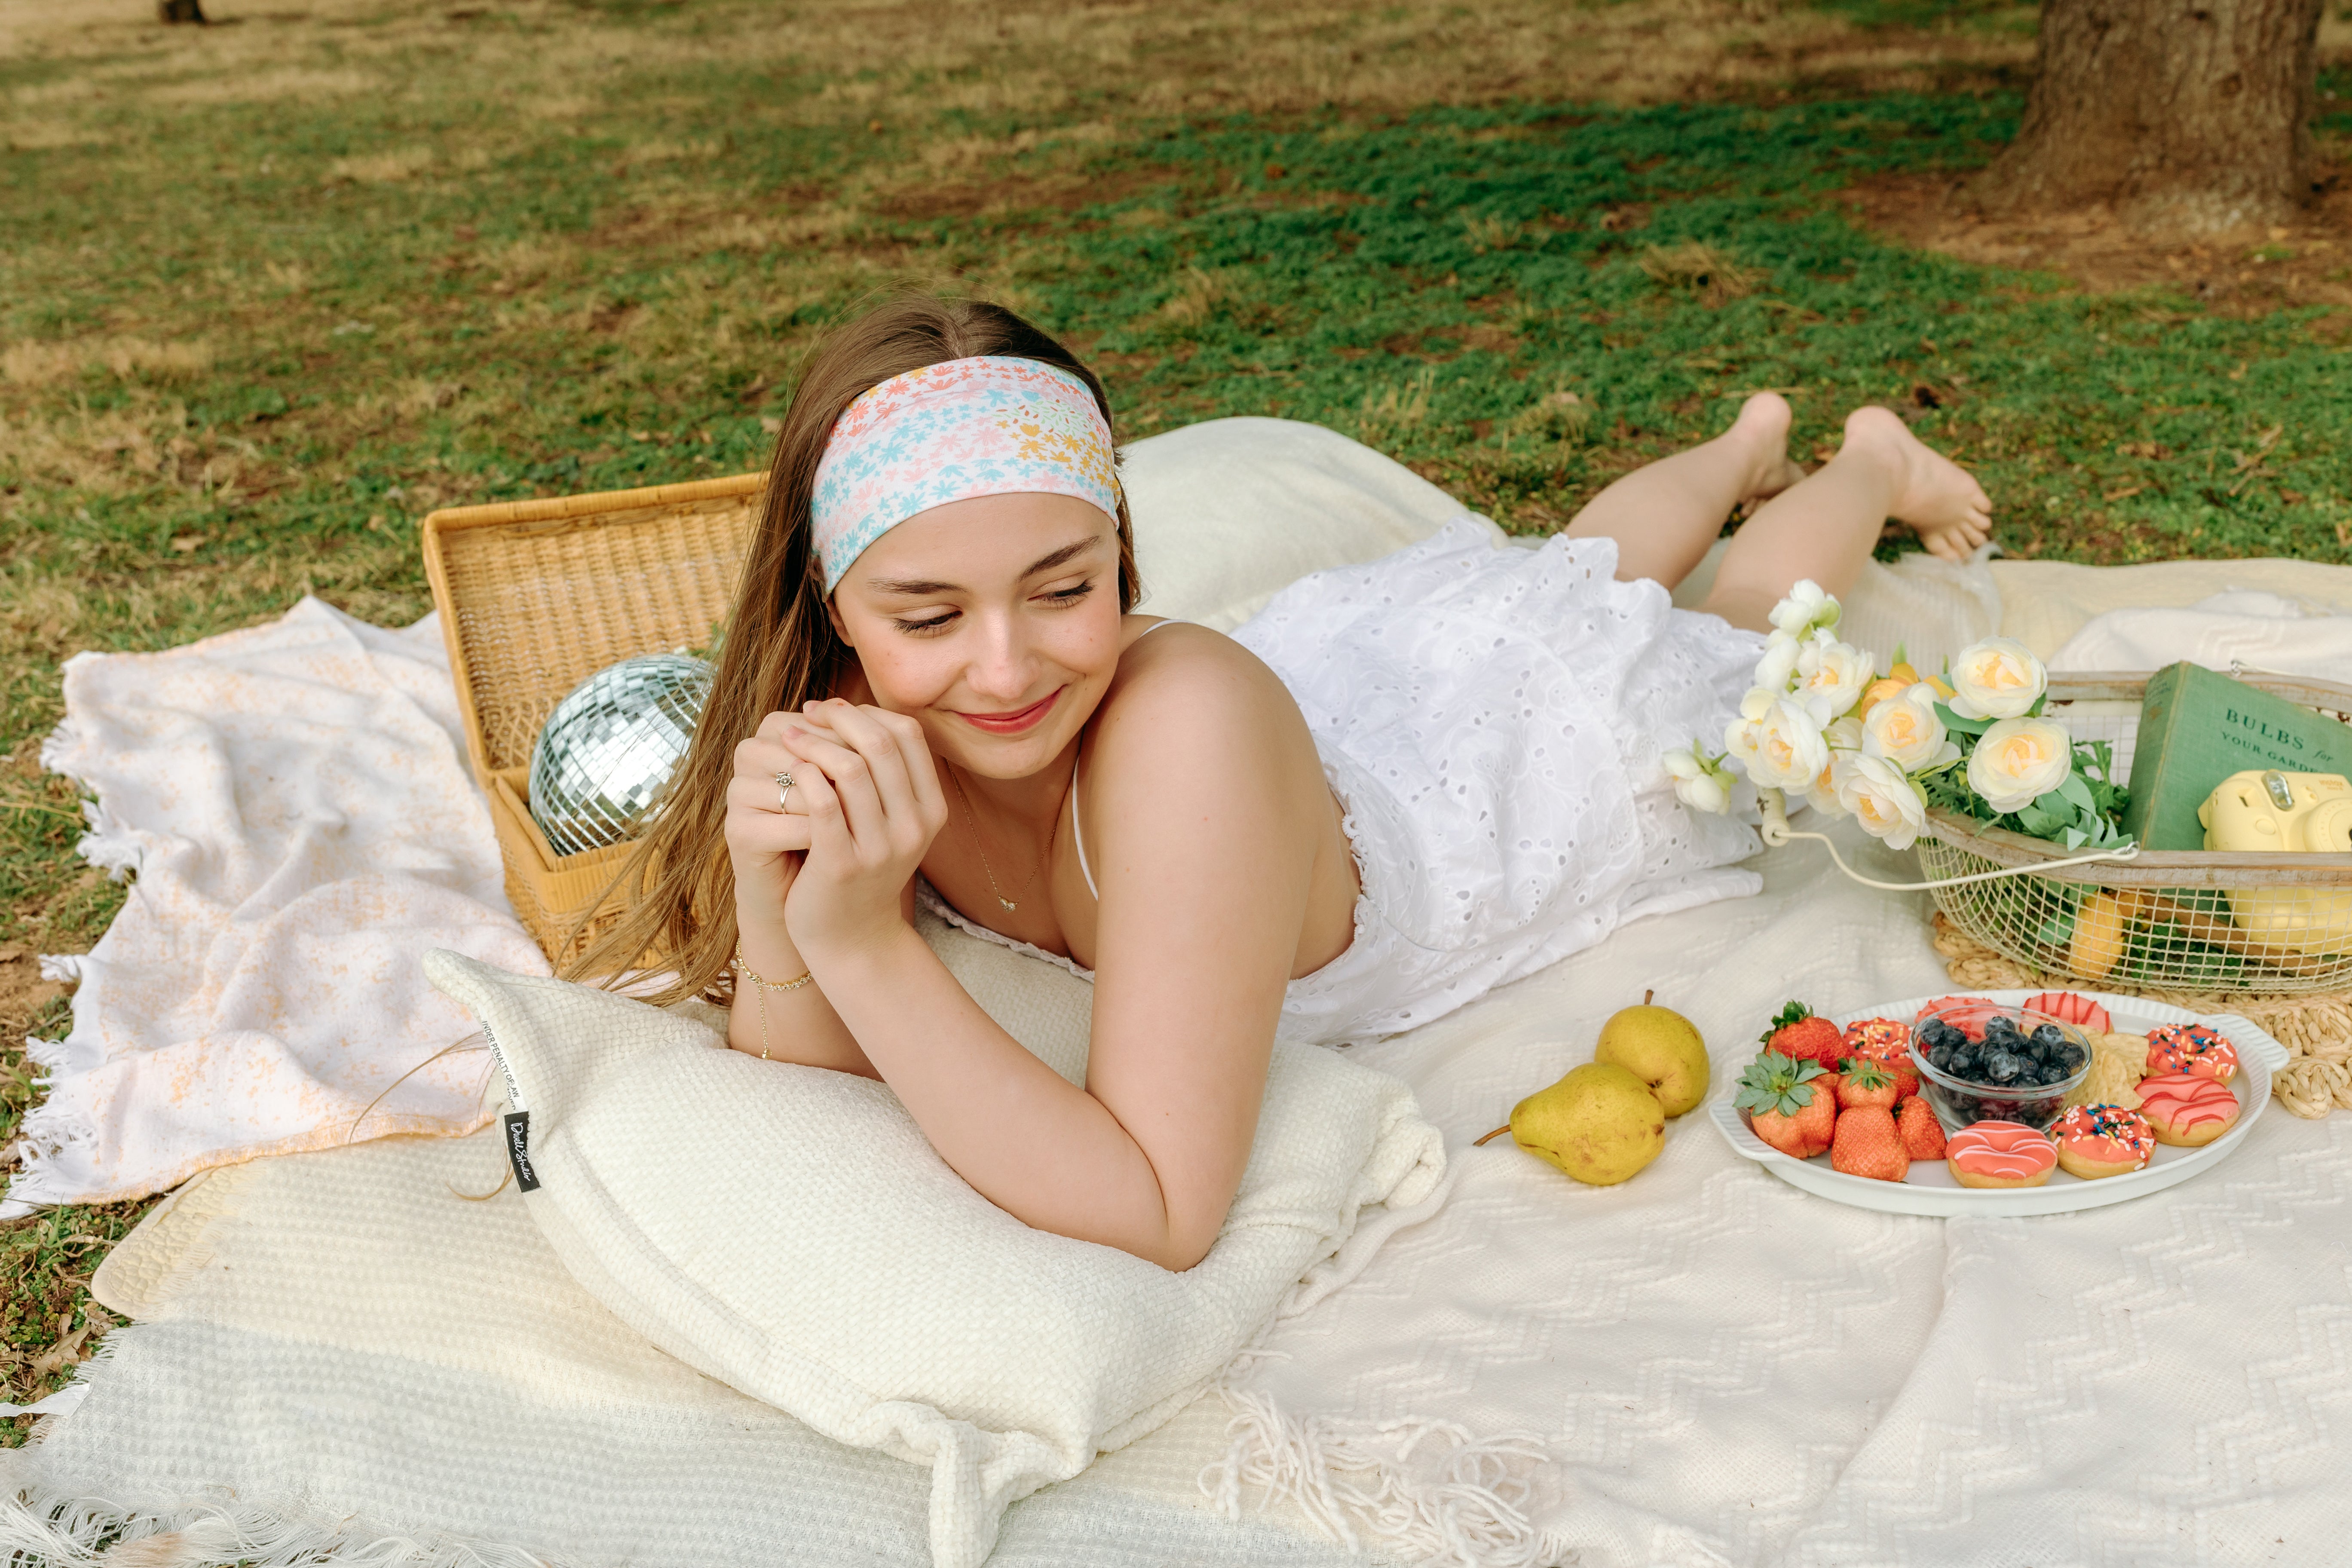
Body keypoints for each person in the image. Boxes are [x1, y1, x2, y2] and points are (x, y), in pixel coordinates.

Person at [582, 294, 1991, 1271]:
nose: (1002, 669)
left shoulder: (1179, 721)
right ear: (836, 608)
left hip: (1497, 785)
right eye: (931, 617)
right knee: (1567, 572)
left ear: (1124, 571)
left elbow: (1159, 1207)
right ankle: (1741, 444)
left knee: (1715, 629)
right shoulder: (849, 724)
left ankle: (1868, 459)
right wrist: (784, 912)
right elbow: (802, 1083)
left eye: (1060, 590)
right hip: (1367, 704)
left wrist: (854, 936)